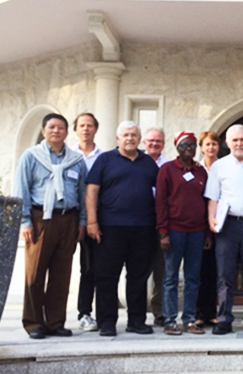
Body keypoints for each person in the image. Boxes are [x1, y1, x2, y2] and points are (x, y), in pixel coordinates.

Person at [15, 113, 87, 339]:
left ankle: (55, 322)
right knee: (35, 273)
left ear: (67, 132)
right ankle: (34, 322)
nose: (56, 131)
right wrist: (25, 221)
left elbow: (83, 193)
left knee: (61, 273)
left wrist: (83, 221)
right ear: (44, 131)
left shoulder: (76, 160)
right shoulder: (31, 156)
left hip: (69, 219)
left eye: (61, 128)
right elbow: (21, 190)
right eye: (52, 127)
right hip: (39, 219)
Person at [86, 121, 159, 337]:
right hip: (110, 228)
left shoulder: (148, 163)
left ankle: (136, 320)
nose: (130, 138)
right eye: (125, 135)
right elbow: (92, 192)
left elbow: (161, 193)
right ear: (118, 139)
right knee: (107, 276)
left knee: (138, 277)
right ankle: (107, 322)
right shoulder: (105, 160)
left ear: (139, 139)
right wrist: (92, 222)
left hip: (143, 228)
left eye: (134, 135)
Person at [204, 124, 243, 335]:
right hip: (227, 226)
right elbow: (213, 197)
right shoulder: (219, 166)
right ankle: (224, 319)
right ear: (228, 143)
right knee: (225, 275)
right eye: (235, 140)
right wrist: (212, 222)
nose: (239, 143)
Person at [156, 131, 210, 335]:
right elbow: (160, 203)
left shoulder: (201, 172)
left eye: (192, 146)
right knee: (171, 277)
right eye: (184, 145)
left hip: (197, 232)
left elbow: (206, 203)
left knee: (193, 278)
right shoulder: (167, 170)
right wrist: (163, 232)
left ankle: (189, 320)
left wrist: (207, 235)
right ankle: (170, 320)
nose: (188, 149)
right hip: (174, 231)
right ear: (176, 147)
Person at [72, 113, 103, 332]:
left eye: (90, 125)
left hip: (95, 218)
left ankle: (87, 312)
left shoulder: (104, 156)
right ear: (76, 130)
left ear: (96, 129)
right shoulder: (68, 155)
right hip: (69, 216)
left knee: (92, 266)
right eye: (82, 125)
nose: (86, 129)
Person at [143, 127, 171, 327]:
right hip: (140, 224)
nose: (154, 144)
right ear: (144, 142)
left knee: (162, 271)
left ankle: (159, 311)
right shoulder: (137, 162)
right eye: (151, 141)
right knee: (138, 271)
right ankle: (137, 314)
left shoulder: (169, 166)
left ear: (163, 144)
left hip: (163, 226)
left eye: (158, 141)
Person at [195, 131, 221, 327]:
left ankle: (212, 312)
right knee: (200, 271)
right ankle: (198, 313)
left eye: (214, 144)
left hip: (223, 225)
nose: (210, 148)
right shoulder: (195, 169)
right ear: (201, 147)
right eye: (207, 144)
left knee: (215, 272)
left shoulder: (224, 167)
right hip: (200, 226)